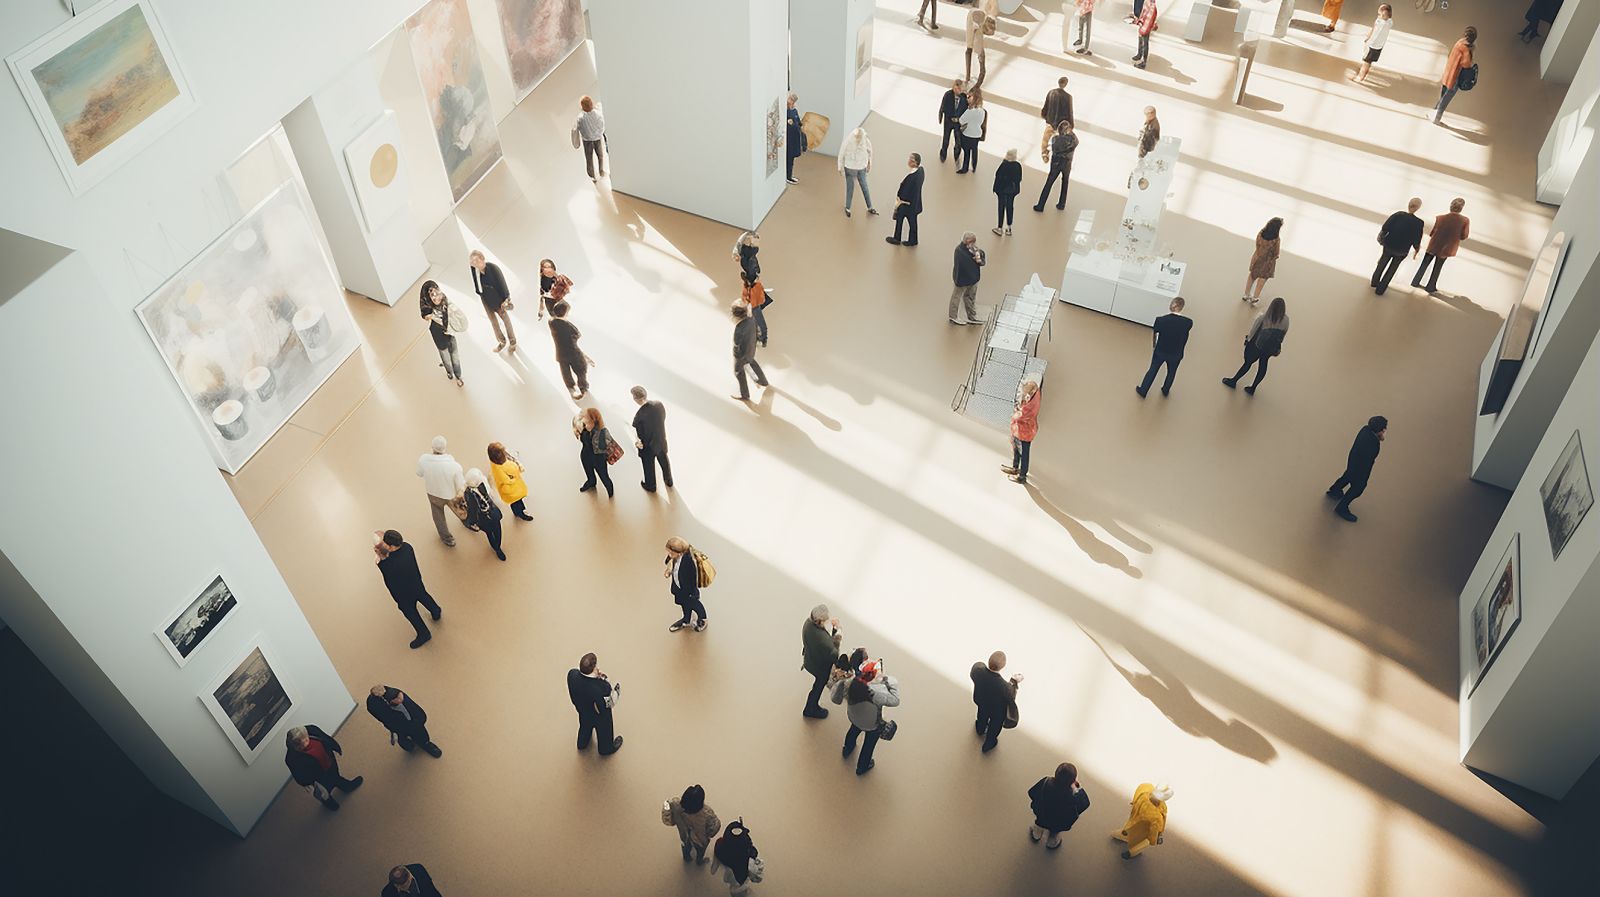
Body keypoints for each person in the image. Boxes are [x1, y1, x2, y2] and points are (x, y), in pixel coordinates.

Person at [373, 529, 443, 649]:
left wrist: (380, 557)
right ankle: (436, 611)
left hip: (403, 594)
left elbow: (385, 571)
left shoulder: (388, 563)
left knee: (410, 612)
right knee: (424, 596)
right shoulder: (407, 547)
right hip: (416, 583)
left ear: (392, 546)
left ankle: (424, 634)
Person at [833, 659, 900, 776]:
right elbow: (895, 700)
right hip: (871, 724)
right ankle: (862, 767)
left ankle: (847, 748)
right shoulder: (877, 693)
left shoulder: (850, 683)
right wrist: (888, 680)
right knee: (869, 744)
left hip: (854, 717)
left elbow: (835, 698)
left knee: (853, 730)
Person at [284, 725, 362, 811]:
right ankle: (328, 802)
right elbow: (298, 774)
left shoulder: (312, 730)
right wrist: (305, 784)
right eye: (299, 746)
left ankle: (347, 786)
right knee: (324, 793)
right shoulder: (291, 759)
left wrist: (336, 747)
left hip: (329, 762)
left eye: (306, 740)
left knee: (336, 777)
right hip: (317, 776)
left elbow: (325, 738)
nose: (305, 744)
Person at [1222, 297, 1289, 395]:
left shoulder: (1263, 317)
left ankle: (1233, 381)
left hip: (1257, 346)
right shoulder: (1286, 320)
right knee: (1263, 365)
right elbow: (1283, 333)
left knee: (1247, 364)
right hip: (1270, 348)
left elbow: (1253, 332)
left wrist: (1247, 340)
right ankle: (1253, 388)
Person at [1328, 416, 1388, 522]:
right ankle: (1342, 508)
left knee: (1347, 475)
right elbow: (1368, 462)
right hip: (1361, 469)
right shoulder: (1374, 445)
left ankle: (1334, 490)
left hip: (1353, 461)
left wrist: (1378, 436)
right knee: (1357, 489)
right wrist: (1364, 478)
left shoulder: (1365, 429)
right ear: (1380, 430)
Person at [566, 653, 622, 755]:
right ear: (593, 668)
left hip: (583, 711)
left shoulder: (572, 674)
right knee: (604, 731)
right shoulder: (602, 688)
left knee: (585, 726)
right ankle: (606, 749)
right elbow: (609, 703)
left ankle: (582, 744)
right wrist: (614, 689)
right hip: (599, 716)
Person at [1410, 198, 1470, 293]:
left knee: (1424, 264)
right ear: (1461, 208)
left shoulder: (1440, 218)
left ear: (1451, 206)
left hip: (1434, 244)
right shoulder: (1465, 220)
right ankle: (1430, 286)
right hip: (1447, 247)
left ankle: (1415, 281)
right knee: (1438, 267)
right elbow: (1464, 236)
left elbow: (1433, 231)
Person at [1136, 296, 1191, 397]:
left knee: (1153, 370)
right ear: (1182, 307)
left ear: (1172, 305)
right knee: (1171, 372)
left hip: (1161, 351)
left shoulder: (1161, 320)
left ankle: (1143, 390)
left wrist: (1154, 346)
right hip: (1176, 353)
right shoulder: (1188, 322)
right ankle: (1165, 390)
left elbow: (1155, 334)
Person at [1028, 763, 1092, 850]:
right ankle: (1052, 842)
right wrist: (1077, 788)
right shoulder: (1076, 796)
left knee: (1039, 824)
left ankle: (1036, 834)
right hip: (1060, 822)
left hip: (1042, 814)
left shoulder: (1045, 782)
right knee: (1054, 831)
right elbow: (1085, 804)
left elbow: (1031, 793)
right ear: (1073, 781)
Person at [366, 685, 442, 758]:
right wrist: (393, 728)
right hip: (397, 724)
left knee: (420, 732)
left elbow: (415, 709)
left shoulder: (396, 693)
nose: (400, 700)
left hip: (413, 721)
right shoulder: (374, 706)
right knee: (402, 736)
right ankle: (407, 744)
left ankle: (425, 743)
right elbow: (383, 719)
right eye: (397, 700)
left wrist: (419, 720)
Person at [416, 435, 464, 547]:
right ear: (445, 448)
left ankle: (447, 539)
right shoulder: (454, 466)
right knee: (460, 510)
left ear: (432, 447)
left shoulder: (423, 460)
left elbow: (419, 473)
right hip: (451, 495)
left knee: (438, 517)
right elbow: (460, 485)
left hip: (433, 494)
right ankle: (468, 522)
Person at [970, 651, 1022, 752]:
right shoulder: (1005, 687)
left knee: (981, 716)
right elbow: (1011, 695)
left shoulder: (978, 670)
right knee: (994, 727)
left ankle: (980, 729)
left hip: (982, 702)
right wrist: (1014, 681)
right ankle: (989, 743)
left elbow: (975, 672)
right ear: (1003, 666)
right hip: (997, 712)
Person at [1372, 197, 1424, 294]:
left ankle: (1374, 282)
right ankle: (1380, 290)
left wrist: (1381, 238)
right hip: (1402, 250)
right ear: (1418, 208)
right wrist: (1416, 249)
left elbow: (1385, 227)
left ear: (1408, 204)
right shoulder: (1419, 223)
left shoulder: (1398, 215)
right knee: (1392, 269)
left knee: (1382, 263)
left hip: (1389, 245)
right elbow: (1417, 238)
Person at [801, 605, 843, 719]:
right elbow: (834, 653)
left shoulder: (807, 624)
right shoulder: (822, 639)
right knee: (817, 688)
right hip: (820, 668)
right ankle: (810, 709)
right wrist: (838, 631)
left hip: (809, 659)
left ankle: (811, 707)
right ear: (819, 621)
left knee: (817, 686)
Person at [469, 250, 515, 352]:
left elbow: (502, 284)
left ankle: (513, 342)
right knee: (493, 322)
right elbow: (478, 288)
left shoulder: (493, 268)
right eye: (473, 262)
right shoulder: (475, 271)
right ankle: (502, 342)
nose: (475, 264)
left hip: (498, 298)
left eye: (477, 260)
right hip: (485, 298)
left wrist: (506, 299)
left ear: (482, 258)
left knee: (505, 320)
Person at [418, 280, 462, 387]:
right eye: (432, 296)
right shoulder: (428, 308)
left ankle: (458, 376)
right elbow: (426, 316)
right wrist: (433, 316)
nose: (436, 297)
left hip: (449, 332)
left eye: (436, 293)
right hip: (438, 335)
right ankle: (449, 371)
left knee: (455, 356)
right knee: (445, 357)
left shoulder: (445, 301)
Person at [662, 785, 720, 865]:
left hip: (684, 833)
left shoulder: (675, 805)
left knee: (686, 846)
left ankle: (687, 858)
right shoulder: (706, 813)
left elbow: (667, 819)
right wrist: (709, 834)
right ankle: (699, 861)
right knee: (700, 851)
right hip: (700, 839)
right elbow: (714, 827)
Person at [1112, 783, 1173, 859]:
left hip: (1139, 826)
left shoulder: (1145, 797)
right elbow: (1154, 829)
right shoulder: (1155, 811)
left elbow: (1156, 826)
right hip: (1140, 826)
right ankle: (1128, 845)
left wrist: (1155, 838)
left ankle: (1128, 847)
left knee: (1135, 837)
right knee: (1137, 837)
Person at [631, 386, 673, 492]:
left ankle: (651, 485)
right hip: (660, 440)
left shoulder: (638, 416)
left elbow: (640, 435)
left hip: (648, 446)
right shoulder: (659, 405)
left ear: (635, 399)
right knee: (664, 461)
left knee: (648, 466)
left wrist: (637, 444)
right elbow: (663, 418)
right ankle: (668, 480)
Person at [1433, 27, 1477, 125]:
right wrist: (1471, 53)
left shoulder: (1459, 42)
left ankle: (1433, 112)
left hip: (1448, 72)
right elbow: (1466, 64)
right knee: (1446, 98)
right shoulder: (1466, 49)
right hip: (1454, 77)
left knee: (1443, 95)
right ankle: (1436, 118)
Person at [663, 536, 707, 632]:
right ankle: (686, 619)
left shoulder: (689, 562)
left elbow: (692, 578)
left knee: (695, 605)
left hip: (689, 591)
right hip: (679, 587)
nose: (669, 555)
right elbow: (667, 561)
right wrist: (669, 569)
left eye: (671, 553)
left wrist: (691, 592)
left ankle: (702, 618)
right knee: (684, 604)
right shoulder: (674, 556)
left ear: (680, 553)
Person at [1000, 378, 1040, 483]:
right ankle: (1015, 468)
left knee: (1024, 453)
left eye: (1027, 392)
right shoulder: (1030, 396)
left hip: (1026, 430)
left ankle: (1022, 476)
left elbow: (1025, 414)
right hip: (1019, 429)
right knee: (1016, 449)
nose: (1026, 394)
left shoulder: (1034, 401)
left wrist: (1016, 413)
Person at [548, 299, 589, 399]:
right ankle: (583, 388)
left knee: (566, 372)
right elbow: (577, 334)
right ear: (565, 313)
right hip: (573, 352)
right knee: (581, 369)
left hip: (560, 354)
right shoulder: (568, 326)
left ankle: (571, 388)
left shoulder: (551, 322)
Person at [709, 819, 763, 896]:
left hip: (731, 876)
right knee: (737, 888)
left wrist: (714, 868)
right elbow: (756, 874)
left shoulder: (720, 845)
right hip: (739, 878)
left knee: (734, 887)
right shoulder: (749, 855)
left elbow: (714, 868)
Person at [1033, 121, 1078, 212]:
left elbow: (1055, 150)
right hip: (1067, 164)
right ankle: (1061, 204)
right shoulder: (1073, 139)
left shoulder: (1055, 139)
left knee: (1049, 183)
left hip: (1056, 164)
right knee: (1065, 182)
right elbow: (1076, 140)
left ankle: (1040, 205)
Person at [462, 468, 506, 561]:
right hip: (482, 519)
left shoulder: (482, 483)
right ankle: (496, 548)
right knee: (489, 533)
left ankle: (497, 546)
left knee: (498, 530)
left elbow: (490, 495)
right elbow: (472, 510)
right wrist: (472, 522)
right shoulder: (468, 494)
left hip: (493, 512)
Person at [573, 407, 615, 498]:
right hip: (585, 455)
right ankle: (591, 482)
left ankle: (610, 492)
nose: (582, 417)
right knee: (589, 473)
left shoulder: (601, 431)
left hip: (598, 459)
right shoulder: (584, 426)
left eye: (585, 415)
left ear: (592, 418)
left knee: (604, 478)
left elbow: (602, 448)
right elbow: (576, 421)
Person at [730, 303, 769, 402]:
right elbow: (757, 331)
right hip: (751, 349)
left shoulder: (739, 329)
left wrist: (736, 355)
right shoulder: (751, 319)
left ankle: (744, 394)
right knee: (752, 362)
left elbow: (737, 344)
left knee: (738, 372)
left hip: (741, 355)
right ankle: (763, 381)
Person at [487, 442, 534, 521]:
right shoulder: (502, 468)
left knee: (513, 503)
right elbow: (508, 478)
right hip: (512, 491)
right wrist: (514, 477)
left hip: (510, 491)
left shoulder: (494, 464)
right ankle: (521, 514)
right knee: (518, 502)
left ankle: (516, 512)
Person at [886, 153, 926, 246]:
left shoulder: (911, 177)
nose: (908, 161)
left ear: (914, 163)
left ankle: (897, 238)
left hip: (907, 204)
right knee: (913, 222)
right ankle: (913, 240)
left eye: (911, 159)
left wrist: (899, 199)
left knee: (900, 218)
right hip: (915, 203)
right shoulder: (921, 171)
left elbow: (905, 192)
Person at [949, 232, 987, 325]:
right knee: (956, 297)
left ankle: (972, 316)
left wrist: (979, 258)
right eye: (972, 242)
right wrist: (974, 259)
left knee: (970, 297)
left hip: (973, 279)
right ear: (967, 242)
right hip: (962, 280)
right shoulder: (959, 251)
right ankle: (953, 316)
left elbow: (981, 262)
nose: (974, 244)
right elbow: (962, 266)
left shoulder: (975, 250)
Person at [838, 128, 877, 217]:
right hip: (856, 167)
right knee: (861, 187)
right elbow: (870, 151)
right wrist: (869, 163)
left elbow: (842, 152)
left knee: (856, 187)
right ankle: (868, 207)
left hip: (854, 167)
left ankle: (849, 208)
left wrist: (840, 167)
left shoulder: (850, 139)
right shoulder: (863, 139)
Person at [1243, 217, 1283, 305]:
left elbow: (1257, 245)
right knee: (1262, 279)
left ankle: (1246, 294)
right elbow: (1276, 253)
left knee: (1252, 276)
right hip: (1268, 261)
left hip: (1258, 257)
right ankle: (1255, 298)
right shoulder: (1276, 239)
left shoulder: (1260, 233)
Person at [1352, 4, 1393, 83]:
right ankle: (1364, 72)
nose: (1380, 16)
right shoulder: (1389, 22)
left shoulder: (1381, 23)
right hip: (1379, 47)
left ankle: (1360, 77)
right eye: (1379, 14)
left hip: (1373, 46)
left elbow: (1375, 34)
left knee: (1366, 62)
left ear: (1388, 15)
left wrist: (1368, 41)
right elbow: (1374, 29)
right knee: (1369, 62)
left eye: (1383, 15)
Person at [992, 149, 1022, 236]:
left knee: (1001, 207)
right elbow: (1019, 179)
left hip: (1002, 190)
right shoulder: (1018, 165)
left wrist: (995, 188)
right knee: (1010, 207)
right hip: (1012, 190)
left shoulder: (1004, 165)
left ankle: (1000, 227)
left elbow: (998, 176)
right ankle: (1009, 228)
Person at [956, 90, 986, 175]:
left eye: (969, 97)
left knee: (967, 152)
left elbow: (961, 121)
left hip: (968, 134)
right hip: (977, 134)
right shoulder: (982, 111)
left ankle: (965, 168)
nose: (968, 98)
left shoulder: (970, 110)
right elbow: (981, 122)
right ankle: (974, 166)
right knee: (974, 150)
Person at [576, 95, 606, 181]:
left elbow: (579, 129)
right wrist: (598, 134)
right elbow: (602, 126)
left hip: (587, 141)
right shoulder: (598, 114)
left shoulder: (580, 118)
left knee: (589, 158)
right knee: (600, 155)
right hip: (597, 138)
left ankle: (592, 176)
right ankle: (601, 171)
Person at [741, 270, 772, 347]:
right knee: (760, 324)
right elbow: (759, 297)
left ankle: (760, 338)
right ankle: (762, 339)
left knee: (756, 324)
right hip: (754, 307)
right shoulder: (754, 286)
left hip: (752, 306)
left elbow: (745, 297)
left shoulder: (748, 286)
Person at [938, 80, 967, 164]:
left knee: (958, 140)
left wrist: (963, 122)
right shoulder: (948, 94)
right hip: (948, 120)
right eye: (956, 88)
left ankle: (956, 154)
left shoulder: (964, 97)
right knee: (946, 138)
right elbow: (942, 106)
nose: (958, 90)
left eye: (960, 88)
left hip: (958, 122)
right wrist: (940, 116)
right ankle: (943, 154)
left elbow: (966, 110)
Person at [965, 7, 989, 85]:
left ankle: (970, 76)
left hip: (978, 14)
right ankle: (969, 76)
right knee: (972, 45)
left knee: (973, 46)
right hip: (976, 15)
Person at [1132, 0, 1158, 69]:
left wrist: (1145, 23)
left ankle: (1144, 62)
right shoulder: (1147, 3)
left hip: (1146, 23)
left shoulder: (1151, 4)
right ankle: (1139, 54)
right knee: (1140, 37)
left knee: (1145, 41)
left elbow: (1151, 13)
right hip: (1143, 21)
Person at [785, 93, 804, 184]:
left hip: (795, 137)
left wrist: (800, 125)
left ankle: (789, 175)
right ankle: (788, 176)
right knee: (789, 157)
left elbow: (798, 123)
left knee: (792, 157)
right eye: (790, 98)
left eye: (792, 99)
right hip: (789, 138)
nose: (790, 100)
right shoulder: (786, 111)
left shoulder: (794, 111)